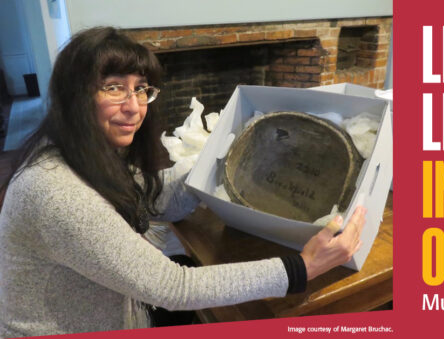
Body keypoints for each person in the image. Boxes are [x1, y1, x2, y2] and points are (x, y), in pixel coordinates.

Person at [0, 26, 366, 337]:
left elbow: (153, 195)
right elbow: (174, 288)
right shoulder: (55, 192)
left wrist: (227, 163)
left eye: (141, 88)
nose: (134, 106)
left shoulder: (83, 155)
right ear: (74, 96)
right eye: (113, 87)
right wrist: (303, 267)